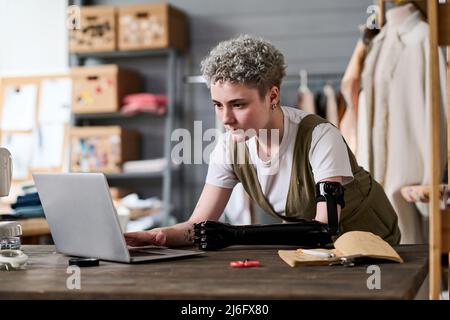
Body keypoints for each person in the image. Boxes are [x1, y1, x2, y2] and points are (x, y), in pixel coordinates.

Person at [125, 35, 401, 248]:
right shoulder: (229, 148)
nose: (226, 118)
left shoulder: (320, 137)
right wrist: (156, 236)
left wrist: (235, 235)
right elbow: (199, 224)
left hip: (373, 244)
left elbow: (324, 228)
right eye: (218, 105)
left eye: (238, 105)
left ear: (272, 96)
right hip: (317, 252)